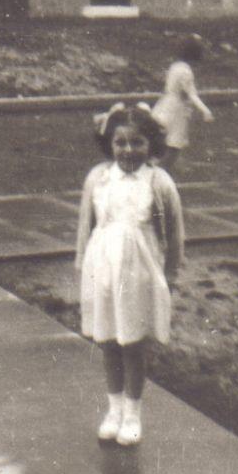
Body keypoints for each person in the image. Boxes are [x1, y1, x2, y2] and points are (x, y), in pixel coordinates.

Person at [76, 102, 185, 446]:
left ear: (151, 145)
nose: (128, 150)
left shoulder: (159, 182)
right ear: (109, 143)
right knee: (109, 340)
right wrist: (83, 265)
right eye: (120, 142)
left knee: (133, 344)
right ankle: (113, 410)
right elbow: (86, 224)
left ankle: (133, 414)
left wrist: (169, 275)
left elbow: (176, 233)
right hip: (103, 267)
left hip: (139, 272)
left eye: (137, 142)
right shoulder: (99, 178)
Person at [152, 34, 214, 172]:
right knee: (174, 146)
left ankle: (154, 171)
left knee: (164, 143)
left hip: (164, 105)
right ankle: (158, 175)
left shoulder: (175, 66)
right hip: (176, 110)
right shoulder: (186, 72)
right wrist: (205, 110)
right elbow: (192, 94)